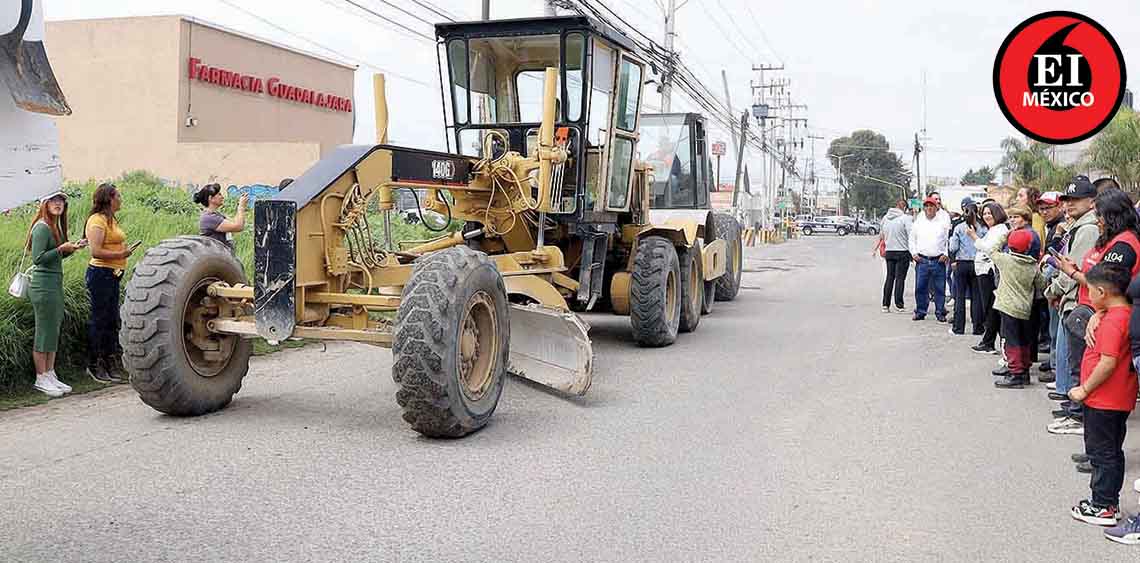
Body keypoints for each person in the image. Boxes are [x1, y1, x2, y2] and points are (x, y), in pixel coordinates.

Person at [1053, 187, 1140, 435]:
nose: (1097, 219)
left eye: (1099, 214)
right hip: (1101, 312)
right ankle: (1097, 445)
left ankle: (1101, 450)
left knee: (1104, 373)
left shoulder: (1124, 244)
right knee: (1091, 369)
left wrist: (1072, 273)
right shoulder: (1113, 239)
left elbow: (1107, 286)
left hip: (1112, 316)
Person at [1067, 262, 1134, 526]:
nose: (1089, 295)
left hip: (1104, 398)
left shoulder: (1114, 321)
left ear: (1103, 292)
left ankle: (1103, 505)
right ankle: (1106, 501)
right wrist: (1098, 313)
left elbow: (1107, 361)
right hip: (1115, 398)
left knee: (1101, 452)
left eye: (1090, 291)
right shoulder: (1122, 313)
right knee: (1111, 451)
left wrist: (1084, 389)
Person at [26, 191, 87, 397]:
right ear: (45, 203)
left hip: (53, 284)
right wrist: (61, 249)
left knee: (53, 329)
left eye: (61, 200)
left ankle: (50, 373)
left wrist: (72, 248)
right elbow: (38, 258)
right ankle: (40, 377)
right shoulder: (42, 227)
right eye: (53, 200)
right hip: (43, 286)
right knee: (44, 330)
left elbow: (55, 256)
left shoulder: (53, 226)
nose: (58, 204)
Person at [85, 182, 135, 384]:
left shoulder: (111, 219)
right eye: (118, 196)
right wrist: (121, 253)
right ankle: (95, 364)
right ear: (110, 199)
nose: (120, 199)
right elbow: (95, 251)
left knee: (112, 319)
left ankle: (110, 361)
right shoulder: (97, 221)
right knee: (99, 320)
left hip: (113, 274)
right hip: (100, 273)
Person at [991, 230, 1047, 388]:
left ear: (1009, 245)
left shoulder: (1005, 260)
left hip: (1008, 308)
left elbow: (992, 250)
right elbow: (1042, 285)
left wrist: (1004, 235)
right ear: (1029, 246)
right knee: (1024, 340)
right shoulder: (1033, 266)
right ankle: (1025, 371)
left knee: (1012, 341)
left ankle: (1015, 373)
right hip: (1025, 308)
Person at [970, 202, 1010, 353]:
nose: (986, 216)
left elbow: (989, 249)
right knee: (989, 307)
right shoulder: (992, 230)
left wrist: (974, 237)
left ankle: (991, 342)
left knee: (991, 307)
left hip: (990, 272)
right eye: (984, 213)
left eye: (989, 213)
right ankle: (989, 340)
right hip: (983, 271)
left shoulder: (1000, 230)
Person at [1037, 191, 1066, 380]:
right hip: (1051, 283)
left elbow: (1056, 255)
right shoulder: (1051, 226)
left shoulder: (1062, 227)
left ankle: (1057, 368)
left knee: (1057, 329)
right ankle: (1055, 361)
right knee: (1052, 328)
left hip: (1060, 283)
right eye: (1042, 208)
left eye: (1048, 207)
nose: (1044, 211)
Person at [909, 196, 950, 322]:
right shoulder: (918, 223)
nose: (929, 208)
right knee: (920, 287)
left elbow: (946, 241)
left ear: (936, 208)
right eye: (926, 206)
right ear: (924, 208)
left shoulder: (942, 223)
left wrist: (945, 253)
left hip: (938, 260)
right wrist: (914, 253)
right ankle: (920, 311)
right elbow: (912, 239)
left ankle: (940, 312)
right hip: (922, 260)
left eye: (931, 206)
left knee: (939, 288)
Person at [949, 202, 985, 335]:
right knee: (977, 297)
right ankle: (978, 328)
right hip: (977, 263)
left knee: (960, 296)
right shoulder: (982, 228)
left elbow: (953, 248)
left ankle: (958, 328)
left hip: (962, 264)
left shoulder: (959, 228)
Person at [878, 199, 912, 312]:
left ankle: (885, 304)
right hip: (902, 251)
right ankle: (899, 304)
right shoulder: (905, 218)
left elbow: (881, 234)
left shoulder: (885, 218)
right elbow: (911, 234)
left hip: (889, 251)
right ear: (904, 208)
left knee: (889, 277)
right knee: (900, 278)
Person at [193, 183, 249, 250]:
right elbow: (239, 227)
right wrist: (241, 207)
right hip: (215, 257)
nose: (222, 197)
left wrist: (239, 205)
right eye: (219, 194)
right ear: (211, 198)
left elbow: (234, 222)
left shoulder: (216, 215)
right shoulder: (209, 218)